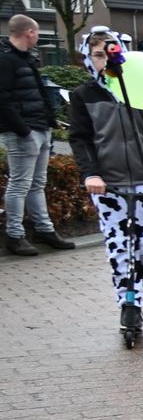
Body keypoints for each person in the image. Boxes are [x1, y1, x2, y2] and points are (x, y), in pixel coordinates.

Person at [69, 34, 143, 332]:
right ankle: (129, 303)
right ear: (88, 59)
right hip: (111, 188)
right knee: (121, 249)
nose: (104, 61)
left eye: (109, 54)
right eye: (97, 55)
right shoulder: (84, 96)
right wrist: (91, 174)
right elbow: (80, 140)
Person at [1, 15, 74, 255]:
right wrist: (23, 130)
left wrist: (50, 121)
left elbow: (38, 94)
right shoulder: (7, 60)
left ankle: (44, 229)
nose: (38, 36)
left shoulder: (26, 59)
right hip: (25, 131)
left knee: (36, 183)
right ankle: (15, 235)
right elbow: (2, 99)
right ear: (29, 33)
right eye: (37, 32)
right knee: (20, 183)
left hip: (38, 127)